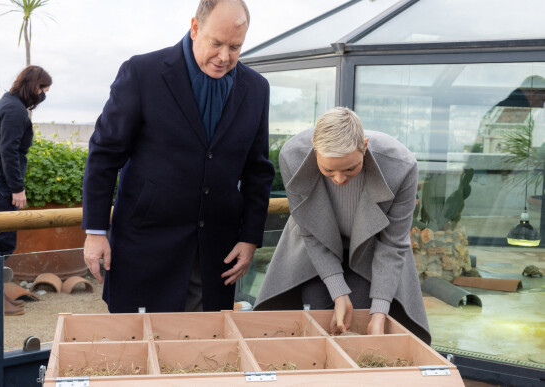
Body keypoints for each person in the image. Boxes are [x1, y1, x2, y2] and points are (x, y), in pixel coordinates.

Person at [82, 0, 275, 313]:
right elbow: (104, 154)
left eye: (236, 47)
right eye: (216, 43)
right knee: (138, 351)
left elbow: (258, 171)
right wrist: (94, 231)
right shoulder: (141, 72)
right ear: (195, 28)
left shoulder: (257, 88)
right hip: (144, 248)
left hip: (216, 254)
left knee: (202, 353)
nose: (225, 57)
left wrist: (250, 237)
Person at [254, 107, 431, 345]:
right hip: (314, 246)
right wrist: (338, 292)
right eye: (328, 170)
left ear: (364, 146)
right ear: (314, 151)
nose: (339, 179)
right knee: (317, 313)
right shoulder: (292, 156)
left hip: (372, 250)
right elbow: (310, 231)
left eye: (350, 168)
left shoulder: (401, 166)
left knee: (363, 315)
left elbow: (393, 244)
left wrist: (380, 312)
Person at [0, 65, 52, 315]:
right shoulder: (15, 110)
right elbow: (9, 152)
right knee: (2, 245)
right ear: (32, 86)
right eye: (42, 90)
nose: (42, 96)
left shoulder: (8, 103)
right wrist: (17, 189)